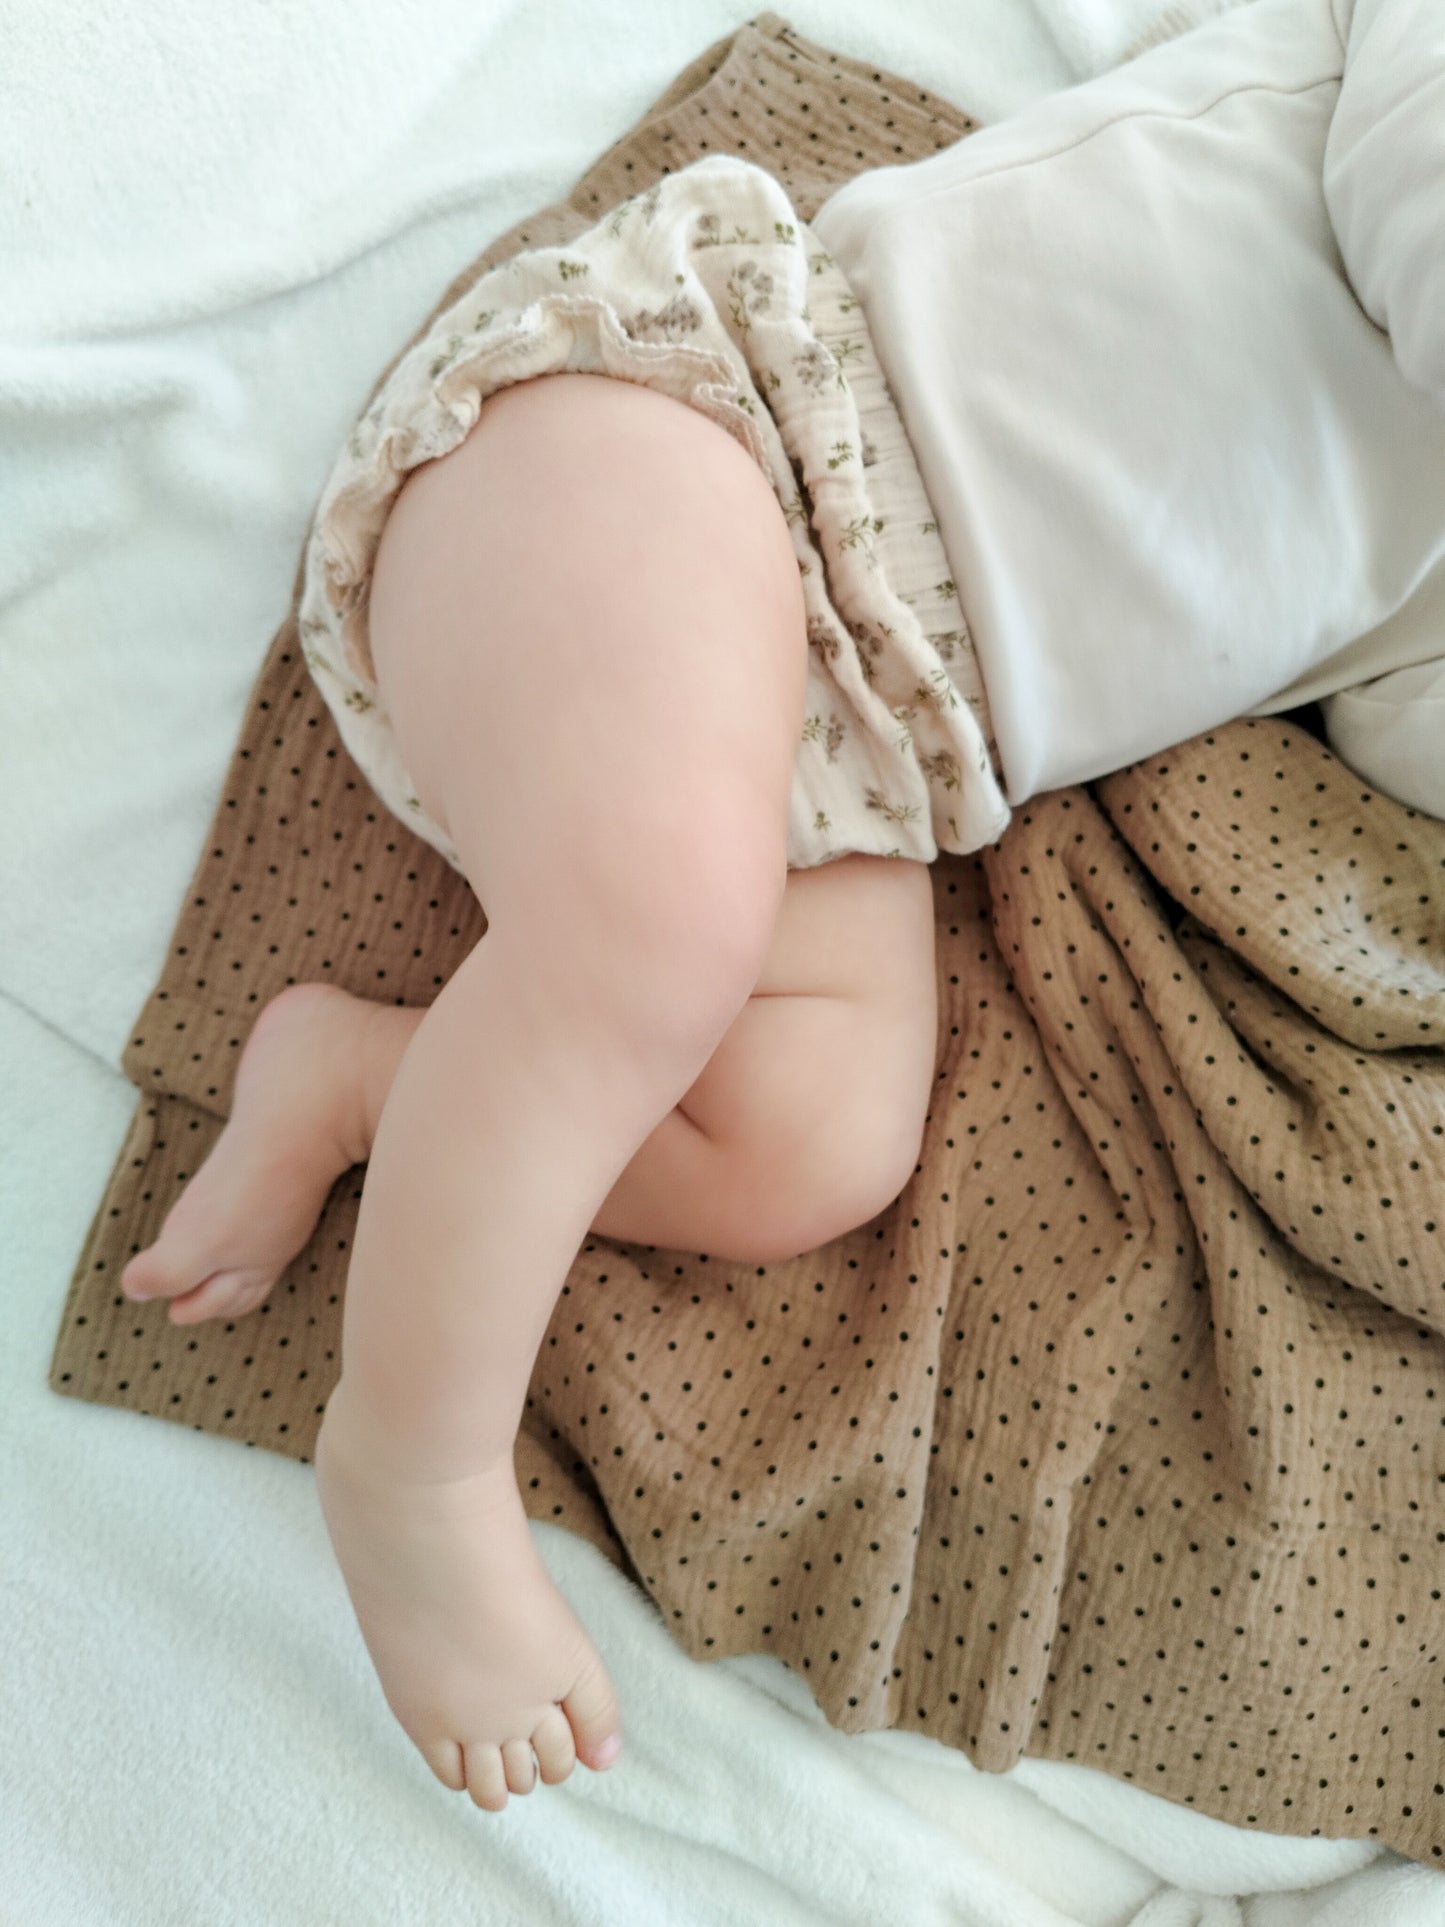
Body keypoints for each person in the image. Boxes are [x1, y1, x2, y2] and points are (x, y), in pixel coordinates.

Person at [120, 0, 1444, 1818]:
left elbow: (1396, 716)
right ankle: (412, 1457)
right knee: (659, 936)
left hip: (867, 760)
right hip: (704, 438)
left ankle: (372, 1082)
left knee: (815, 1143)